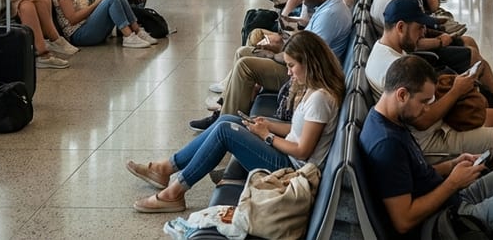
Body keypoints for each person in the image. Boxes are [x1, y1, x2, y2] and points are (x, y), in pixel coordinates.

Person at [359, 54, 493, 239]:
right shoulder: (386, 145)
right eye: (424, 102)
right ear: (402, 94)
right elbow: (403, 221)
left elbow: (411, 176)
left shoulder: (389, 119)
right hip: (446, 225)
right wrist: (452, 183)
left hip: (450, 200)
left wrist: (451, 165)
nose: (427, 110)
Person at [128, 31, 343, 213]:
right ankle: (167, 167)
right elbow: (297, 130)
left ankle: (175, 192)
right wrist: (265, 124)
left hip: (290, 170)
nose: (288, 72)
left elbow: (302, 150)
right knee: (231, 119)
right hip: (288, 158)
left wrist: (266, 135)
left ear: (309, 62)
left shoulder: (320, 99)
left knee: (224, 130)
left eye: (291, 66)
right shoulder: (315, 90)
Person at [188, 0, 351, 131]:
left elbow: (305, 57)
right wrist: (283, 42)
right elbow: (307, 46)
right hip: (302, 64)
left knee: (245, 66)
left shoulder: (330, 15)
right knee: (243, 52)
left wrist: (274, 54)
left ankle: (224, 124)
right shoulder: (327, 8)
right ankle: (224, 109)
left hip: (307, 75)